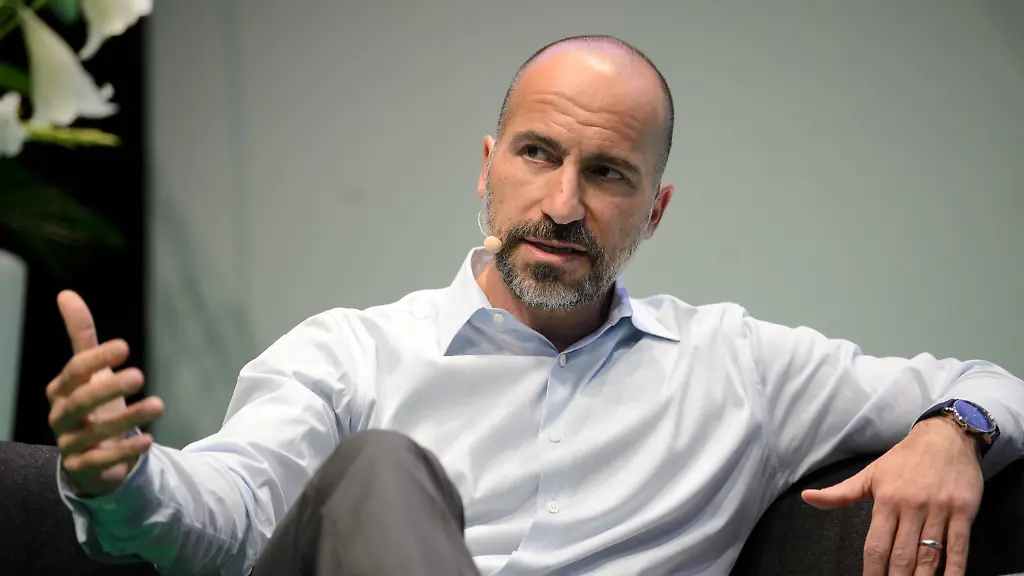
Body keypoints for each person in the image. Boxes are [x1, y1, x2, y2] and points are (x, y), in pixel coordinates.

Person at [46, 35, 1022, 576]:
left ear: (654, 209)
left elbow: (991, 383)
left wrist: (955, 429)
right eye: (537, 154)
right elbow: (226, 513)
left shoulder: (736, 369)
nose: (561, 204)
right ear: (488, 168)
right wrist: (121, 481)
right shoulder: (351, 354)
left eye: (606, 173)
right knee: (382, 468)